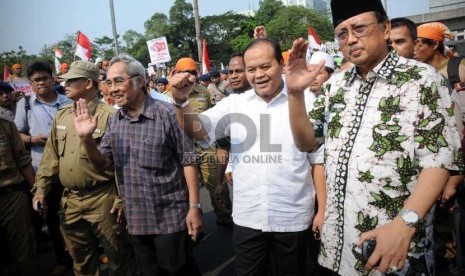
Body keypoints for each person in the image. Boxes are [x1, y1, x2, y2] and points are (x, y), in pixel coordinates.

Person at [285, 0, 463, 274]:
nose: (351, 39)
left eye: (359, 28)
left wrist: (404, 225)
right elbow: (307, 142)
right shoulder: (335, 86)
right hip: (335, 250)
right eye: (342, 34)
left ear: (385, 28)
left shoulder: (422, 80)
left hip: (393, 249)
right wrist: (295, 94)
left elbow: (437, 162)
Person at [170, 38, 324, 275]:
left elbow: (317, 160)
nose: (258, 75)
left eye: (265, 67)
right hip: (248, 219)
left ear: (281, 65)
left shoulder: (307, 99)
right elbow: (198, 131)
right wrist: (180, 101)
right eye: (251, 69)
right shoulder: (234, 104)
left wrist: (322, 211)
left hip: (293, 218)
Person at [73, 54, 202, 276]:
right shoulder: (115, 121)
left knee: (180, 270)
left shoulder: (168, 113)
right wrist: (86, 140)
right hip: (137, 222)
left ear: (140, 81)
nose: (112, 89)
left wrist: (194, 208)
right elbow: (103, 164)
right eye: (109, 82)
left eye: (118, 81)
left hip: (171, 219)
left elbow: (188, 160)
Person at [32, 61, 129, 275]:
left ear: (87, 83)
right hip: (71, 201)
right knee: (81, 261)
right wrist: (41, 189)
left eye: (71, 80)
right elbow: (51, 157)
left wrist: (121, 200)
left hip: (103, 199)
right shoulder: (62, 115)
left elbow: (123, 165)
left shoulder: (110, 116)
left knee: (117, 259)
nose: (63, 84)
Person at [414, 21, 465, 274]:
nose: (416, 48)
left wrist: (455, 177)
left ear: (436, 44)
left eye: (421, 42)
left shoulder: (458, 70)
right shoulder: (416, 75)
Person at [14, 61, 73, 274]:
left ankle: (84, 255)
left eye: (45, 78)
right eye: (36, 80)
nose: (41, 83)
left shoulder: (69, 102)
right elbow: (17, 135)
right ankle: (63, 258)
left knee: (77, 214)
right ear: (30, 84)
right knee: (53, 217)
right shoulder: (25, 105)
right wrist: (31, 139)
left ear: (53, 78)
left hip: (70, 167)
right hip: (43, 170)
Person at [168, 57, 233, 226]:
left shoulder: (204, 91)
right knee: (184, 188)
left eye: (192, 72)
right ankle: (192, 223)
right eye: (185, 72)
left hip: (204, 144)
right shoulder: (166, 96)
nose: (189, 75)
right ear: (176, 73)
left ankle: (225, 217)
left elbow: (211, 115)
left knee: (217, 183)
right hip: (179, 148)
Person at [0, 116, 36, 276]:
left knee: (22, 250)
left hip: (11, 196)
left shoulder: (5, 125)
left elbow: (23, 159)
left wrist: (36, 192)